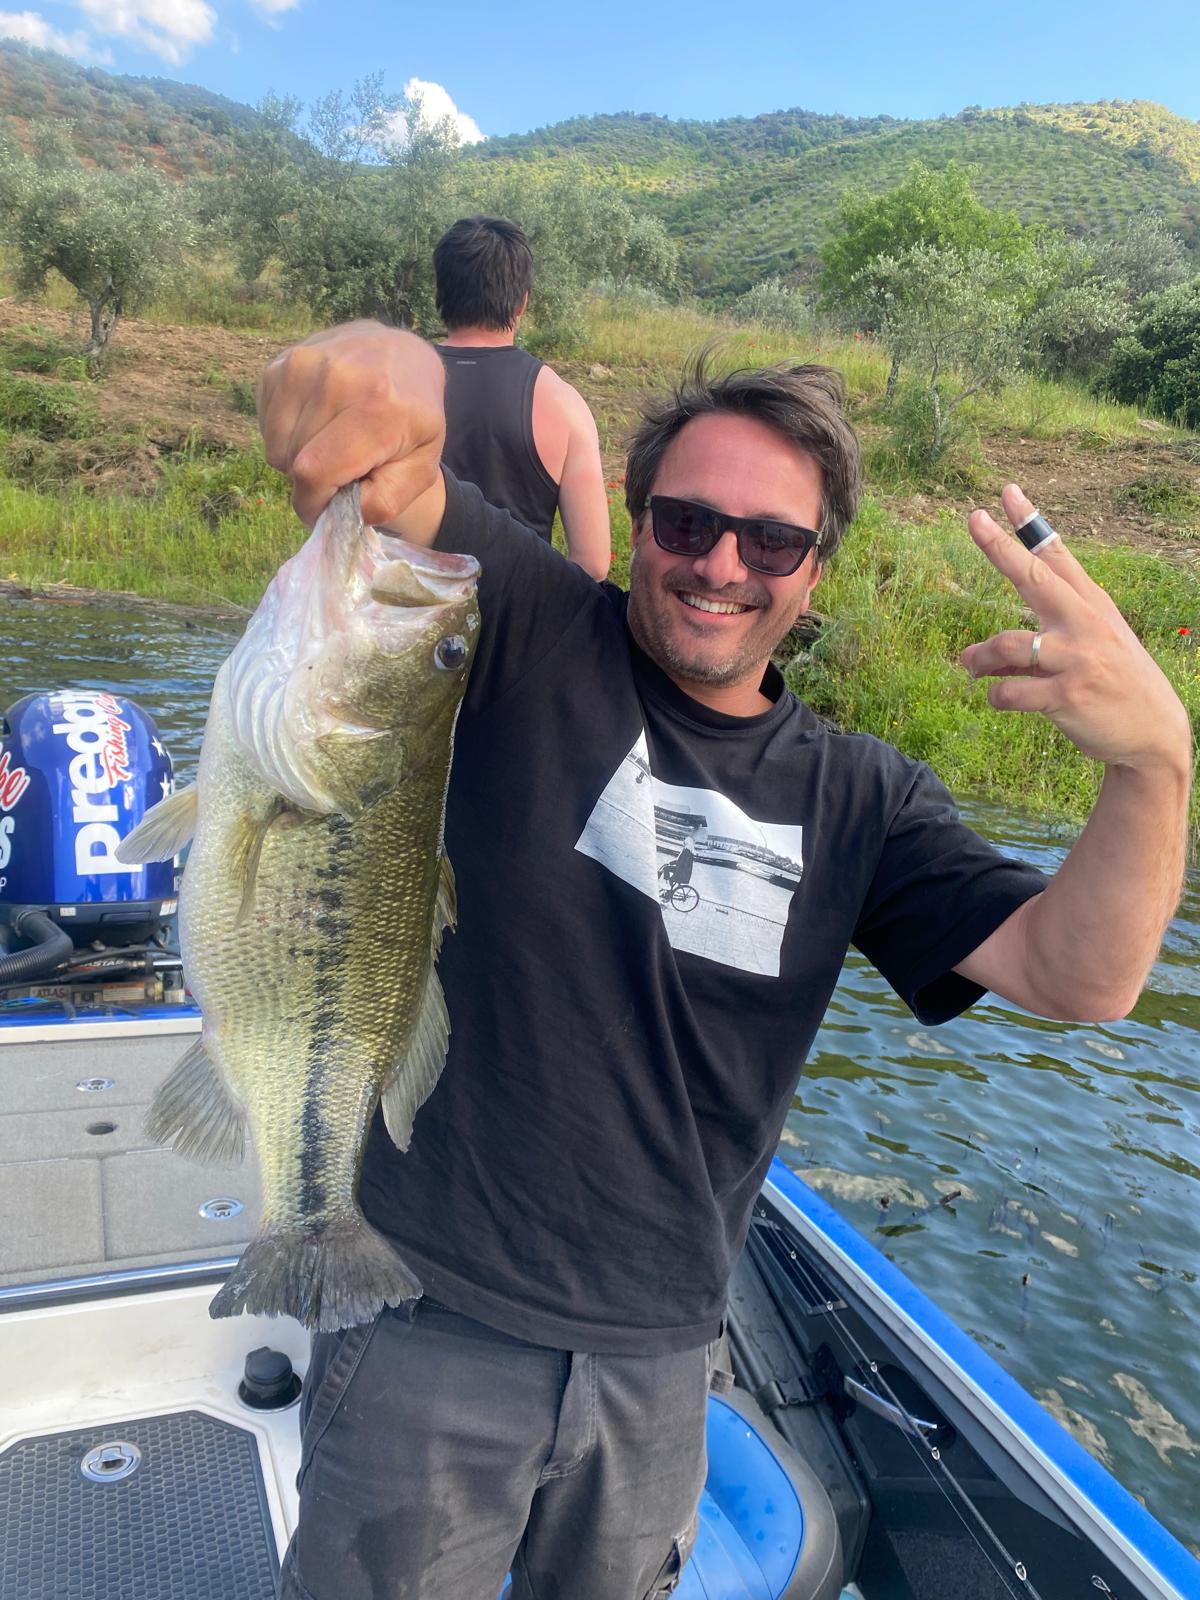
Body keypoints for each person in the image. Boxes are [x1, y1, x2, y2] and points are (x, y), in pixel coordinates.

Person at [258, 321, 1191, 1600]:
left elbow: (1083, 977)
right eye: (687, 522)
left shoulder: (861, 798)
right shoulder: (533, 623)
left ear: (815, 571)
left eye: (772, 541)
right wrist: (381, 375)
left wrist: (1155, 764)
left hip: (661, 1367)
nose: (721, 565)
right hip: (430, 1312)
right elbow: (391, 469)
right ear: (639, 519)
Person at [433, 214, 611, 579]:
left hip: (406, 611)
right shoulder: (563, 403)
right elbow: (593, 563)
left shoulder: (393, 388)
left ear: (441, 294)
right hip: (516, 611)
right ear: (522, 303)